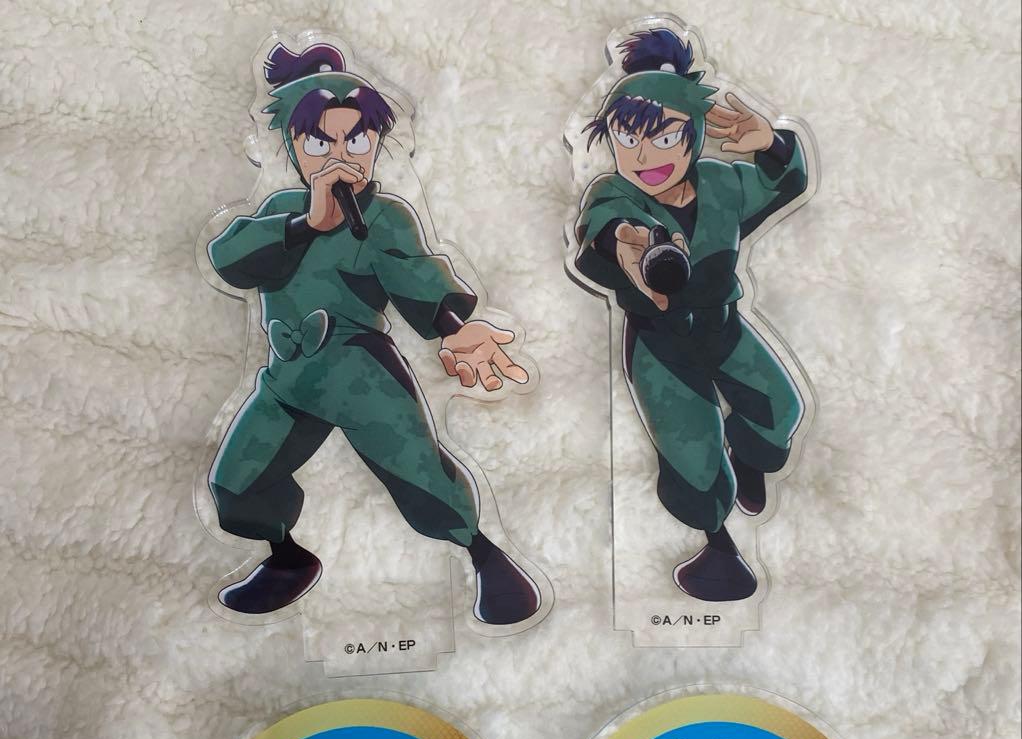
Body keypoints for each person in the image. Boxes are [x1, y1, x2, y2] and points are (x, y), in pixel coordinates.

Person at [206, 42, 541, 624]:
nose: (340, 156)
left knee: (421, 474)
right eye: (320, 143)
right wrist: (305, 224)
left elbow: (414, 273)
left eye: (356, 140)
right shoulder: (281, 208)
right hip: (288, 379)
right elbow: (229, 257)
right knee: (235, 481)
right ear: (295, 145)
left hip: (362, 375)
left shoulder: (383, 216)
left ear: (376, 143)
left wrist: (453, 327)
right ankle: (286, 559)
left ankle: (485, 556)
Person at [573, 29, 809, 601]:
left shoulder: (724, 182)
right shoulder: (613, 194)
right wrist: (624, 244)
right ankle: (718, 549)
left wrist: (771, 144)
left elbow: (785, 181)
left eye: (665, 136)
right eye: (628, 137)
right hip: (661, 344)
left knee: (780, 408)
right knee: (693, 454)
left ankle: (749, 461)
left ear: (694, 133)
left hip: (723, 326)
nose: (645, 156)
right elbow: (603, 225)